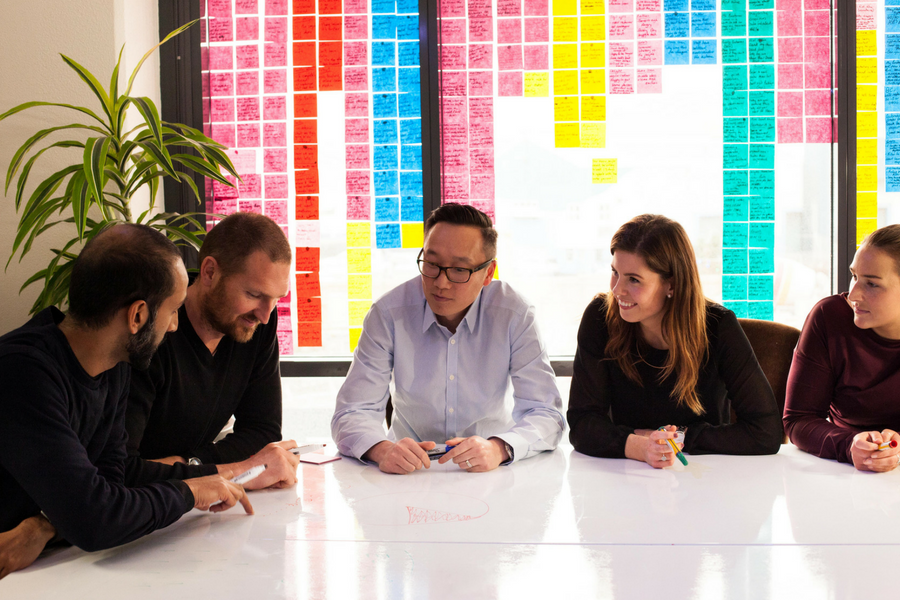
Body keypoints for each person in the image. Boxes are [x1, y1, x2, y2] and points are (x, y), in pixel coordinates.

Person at [0, 224, 253, 579]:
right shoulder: (22, 372)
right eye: (173, 310)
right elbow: (95, 520)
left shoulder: (113, 366)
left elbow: (112, 484)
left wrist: (44, 526)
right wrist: (188, 493)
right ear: (137, 316)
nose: (174, 326)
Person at [331, 203, 564, 474]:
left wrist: (499, 448)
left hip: (490, 471)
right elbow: (352, 412)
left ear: (488, 273)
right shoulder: (388, 313)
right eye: (432, 264)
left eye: (459, 270)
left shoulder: (514, 314)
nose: (441, 282)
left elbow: (546, 414)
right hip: (407, 473)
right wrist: (382, 450)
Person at [567, 214, 783, 468]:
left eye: (633, 279)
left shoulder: (719, 327)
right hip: (625, 473)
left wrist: (676, 438)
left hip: (706, 475)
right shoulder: (600, 318)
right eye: (615, 273)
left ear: (671, 284)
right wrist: (640, 446)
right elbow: (582, 423)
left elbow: (766, 432)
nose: (617, 290)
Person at [125, 212, 299, 492]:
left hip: (198, 501)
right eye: (254, 295)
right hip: (141, 505)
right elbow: (123, 472)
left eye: (276, 299)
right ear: (209, 272)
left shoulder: (258, 322)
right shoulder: (154, 328)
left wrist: (192, 464)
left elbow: (262, 432)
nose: (265, 315)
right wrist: (227, 470)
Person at [784, 224, 900, 472]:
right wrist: (849, 446)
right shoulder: (829, 317)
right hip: (844, 473)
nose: (853, 294)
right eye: (854, 276)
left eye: (872, 284)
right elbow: (798, 420)